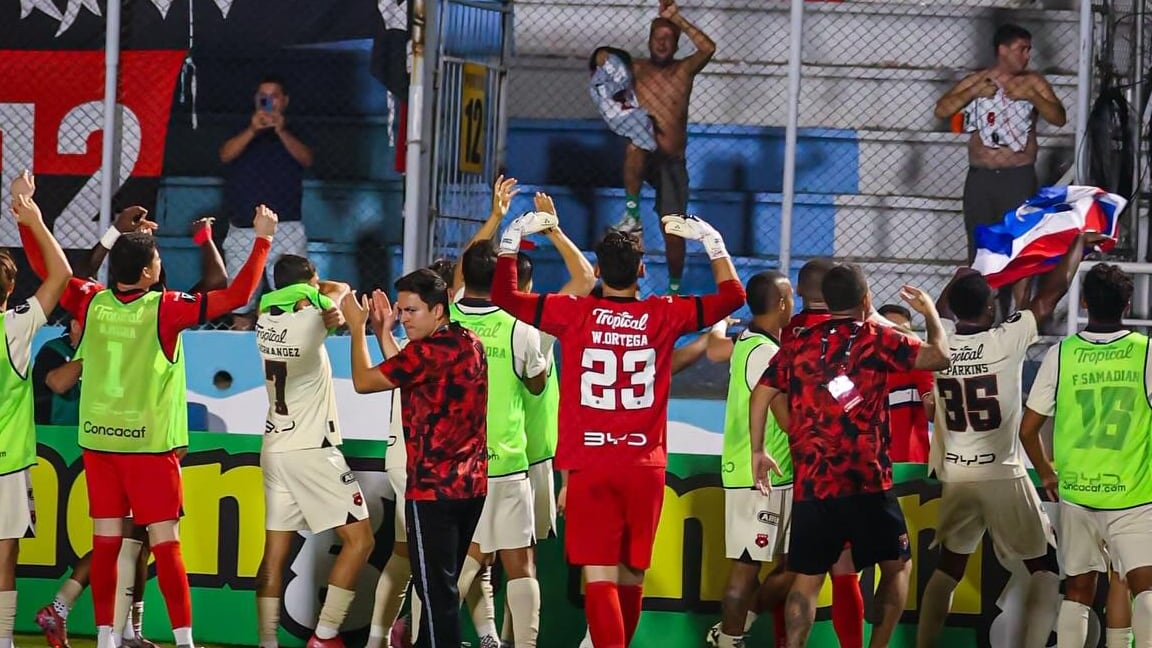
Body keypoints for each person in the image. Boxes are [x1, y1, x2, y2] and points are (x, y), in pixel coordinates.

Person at [20, 200, 278, 648]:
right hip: (149, 449)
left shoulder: (92, 301)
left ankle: (105, 637)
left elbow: (47, 265)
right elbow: (235, 296)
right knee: (165, 545)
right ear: (146, 274)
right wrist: (263, 239)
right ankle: (184, 642)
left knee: (105, 544)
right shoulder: (164, 309)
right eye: (156, 258)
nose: (160, 262)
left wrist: (30, 219)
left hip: (99, 445)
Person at [491, 211, 744, 647]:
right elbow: (733, 295)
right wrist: (710, 237)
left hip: (591, 463)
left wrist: (512, 236)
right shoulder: (663, 314)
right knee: (632, 572)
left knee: (600, 575)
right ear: (642, 271)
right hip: (643, 464)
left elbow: (503, 294)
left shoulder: (571, 312)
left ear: (599, 271)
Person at [750, 264, 950, 647]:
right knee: (897, 567)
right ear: (866, 300)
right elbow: (939, 357)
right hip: (867, 481)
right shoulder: (877, 337)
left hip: (813, 484)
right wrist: (930, 314)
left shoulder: (797, 343)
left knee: (806, 582)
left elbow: (762, 395)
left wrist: (758, 450)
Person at [916, 233, 1100, 648]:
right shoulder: (1005, 340)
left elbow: (944, 310)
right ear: (989, 307)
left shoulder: (938, 342)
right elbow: (1052, 292)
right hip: (1001, 473)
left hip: (955, 476)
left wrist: (966, 273)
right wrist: (1077, 245)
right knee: (1045, 568)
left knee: (948, 568)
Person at [341, 269, 488, 648]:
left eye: (411, 311)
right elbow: (409, 372)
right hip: (471, 487)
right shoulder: (467, 341)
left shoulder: (425, 353)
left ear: (438, 310)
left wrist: (358, 329)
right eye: (401, 311)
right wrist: (382, 333)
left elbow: (365, 381)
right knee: (442, 587)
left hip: (432, 491)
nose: (403, 318)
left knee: (435, 593)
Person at [1019, 263, 1152, 647]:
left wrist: (1046, 473)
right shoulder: (1145, 353)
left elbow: (1027, 429)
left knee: (1077, 591)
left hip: (1076, 493)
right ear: (1127, 305)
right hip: (1135, 494)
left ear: (1085, 302)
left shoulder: (1062, 355)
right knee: (1145, 590)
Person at [252, 254, 376, 648]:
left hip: (274, 445)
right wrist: (321, 298)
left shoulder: (265, 319)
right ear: (309, 285)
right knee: (361, 540)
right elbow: (340, 290)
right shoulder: (310, 320)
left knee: (274, 554)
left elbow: (312, 297)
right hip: (312, 449)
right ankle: (324, 636)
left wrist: (307, 296)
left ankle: (267, 642)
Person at [452, 239, 548, 648]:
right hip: (505, 461)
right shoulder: (518, 327)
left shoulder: (444, 319)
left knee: (457, 562)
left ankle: (425, 638)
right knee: (520, 563)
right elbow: (537, 383)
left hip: (451, 463)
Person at [933, 24, 1067, 312]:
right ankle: (982, 311)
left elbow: (1058, 117)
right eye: (1022, 49)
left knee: (1020, 246)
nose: (1027, 56)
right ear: (1003, 50)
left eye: (1029, 49)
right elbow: (942, 109)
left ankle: (1021, 312)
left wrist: (1033, 98)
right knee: (981, 244)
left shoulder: (1034, 83)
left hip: (1017, 178)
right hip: (982, 178)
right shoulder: (980, 80)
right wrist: (974, 94)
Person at [0, 172, 72, 648]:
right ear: (9, 291)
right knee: (4, 556)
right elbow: (61, 274)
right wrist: (34, 218)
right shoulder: (16, 327)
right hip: (6, 462)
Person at [713, 270, 795, 648]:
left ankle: (736, 627)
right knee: (746, 568)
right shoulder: (766, 352)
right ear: (780, 304)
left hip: (767, 472)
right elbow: (785, 419)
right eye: (790, 295)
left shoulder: (749, 341)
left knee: (797, 564)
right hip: (760, 475)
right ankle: (730, 639)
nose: (793, 302)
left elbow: (716, 349)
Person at [615, 0, 715, 295]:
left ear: (676, 44)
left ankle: (673, 289)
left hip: (671, 161)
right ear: (648, 41)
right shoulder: (635, 68)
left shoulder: (683, 70)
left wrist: (677, 18)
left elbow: (708, 48)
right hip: (644, 154)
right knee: (635, 144)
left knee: (673, 230)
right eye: (657, 37)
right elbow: (603, 64)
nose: (662, 43)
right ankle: (631, 212)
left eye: (669, 39)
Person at [219, 75, 314, 329]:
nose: (268, 101)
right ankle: (240, 353)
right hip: (243, 225)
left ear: (284, 100)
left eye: (274, 96)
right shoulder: (243, 124)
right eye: (263, 95)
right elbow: (226, 155)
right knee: (241, 304)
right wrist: (252, 129)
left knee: (294, 300)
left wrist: (281, 130)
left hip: (286, 225)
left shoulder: (295, 126)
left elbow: (307, 159)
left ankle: (288, 352)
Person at [876, 304, 935, 463]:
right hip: (872, 466)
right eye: (894, 332)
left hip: (910, 466)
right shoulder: (863, 368)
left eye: (905, 332)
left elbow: (933, 411)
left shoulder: (918, 368)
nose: (901, 339)